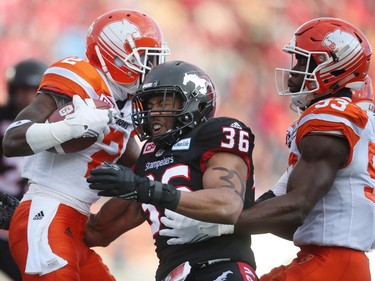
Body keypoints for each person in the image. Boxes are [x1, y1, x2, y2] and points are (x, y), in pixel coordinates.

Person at [158, 17, 375, 281]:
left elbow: (297, 208)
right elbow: (276, 201)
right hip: (326, 259)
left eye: (303, 62)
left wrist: (218, 225)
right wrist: (214, 213)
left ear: (333, 67)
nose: (294, 71)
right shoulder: (337, 122)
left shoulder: (329, 117)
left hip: (333, 263)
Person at [2, 9, 170, 281]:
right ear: (114, 56)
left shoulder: (125, 105)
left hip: (75, 225)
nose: (150, 69)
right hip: (47, 213)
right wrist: (70, 127)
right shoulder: (80, 78)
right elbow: (13, 139)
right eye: (143, 59)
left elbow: (140, 166)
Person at [85, 60, 259, 281]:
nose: (153, 112)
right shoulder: (149, 154)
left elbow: (228, 204)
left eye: (163, 102)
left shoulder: (215, 132)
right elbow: (98, 232)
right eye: (149, 105)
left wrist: (147, 189)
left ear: (193, 103)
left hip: (220, 268)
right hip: (172, 274)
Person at [0, 58, 47, 281]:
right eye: (21, 90)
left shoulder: (55, 122)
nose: (26, 97)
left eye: (32, 90)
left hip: (30, 220)